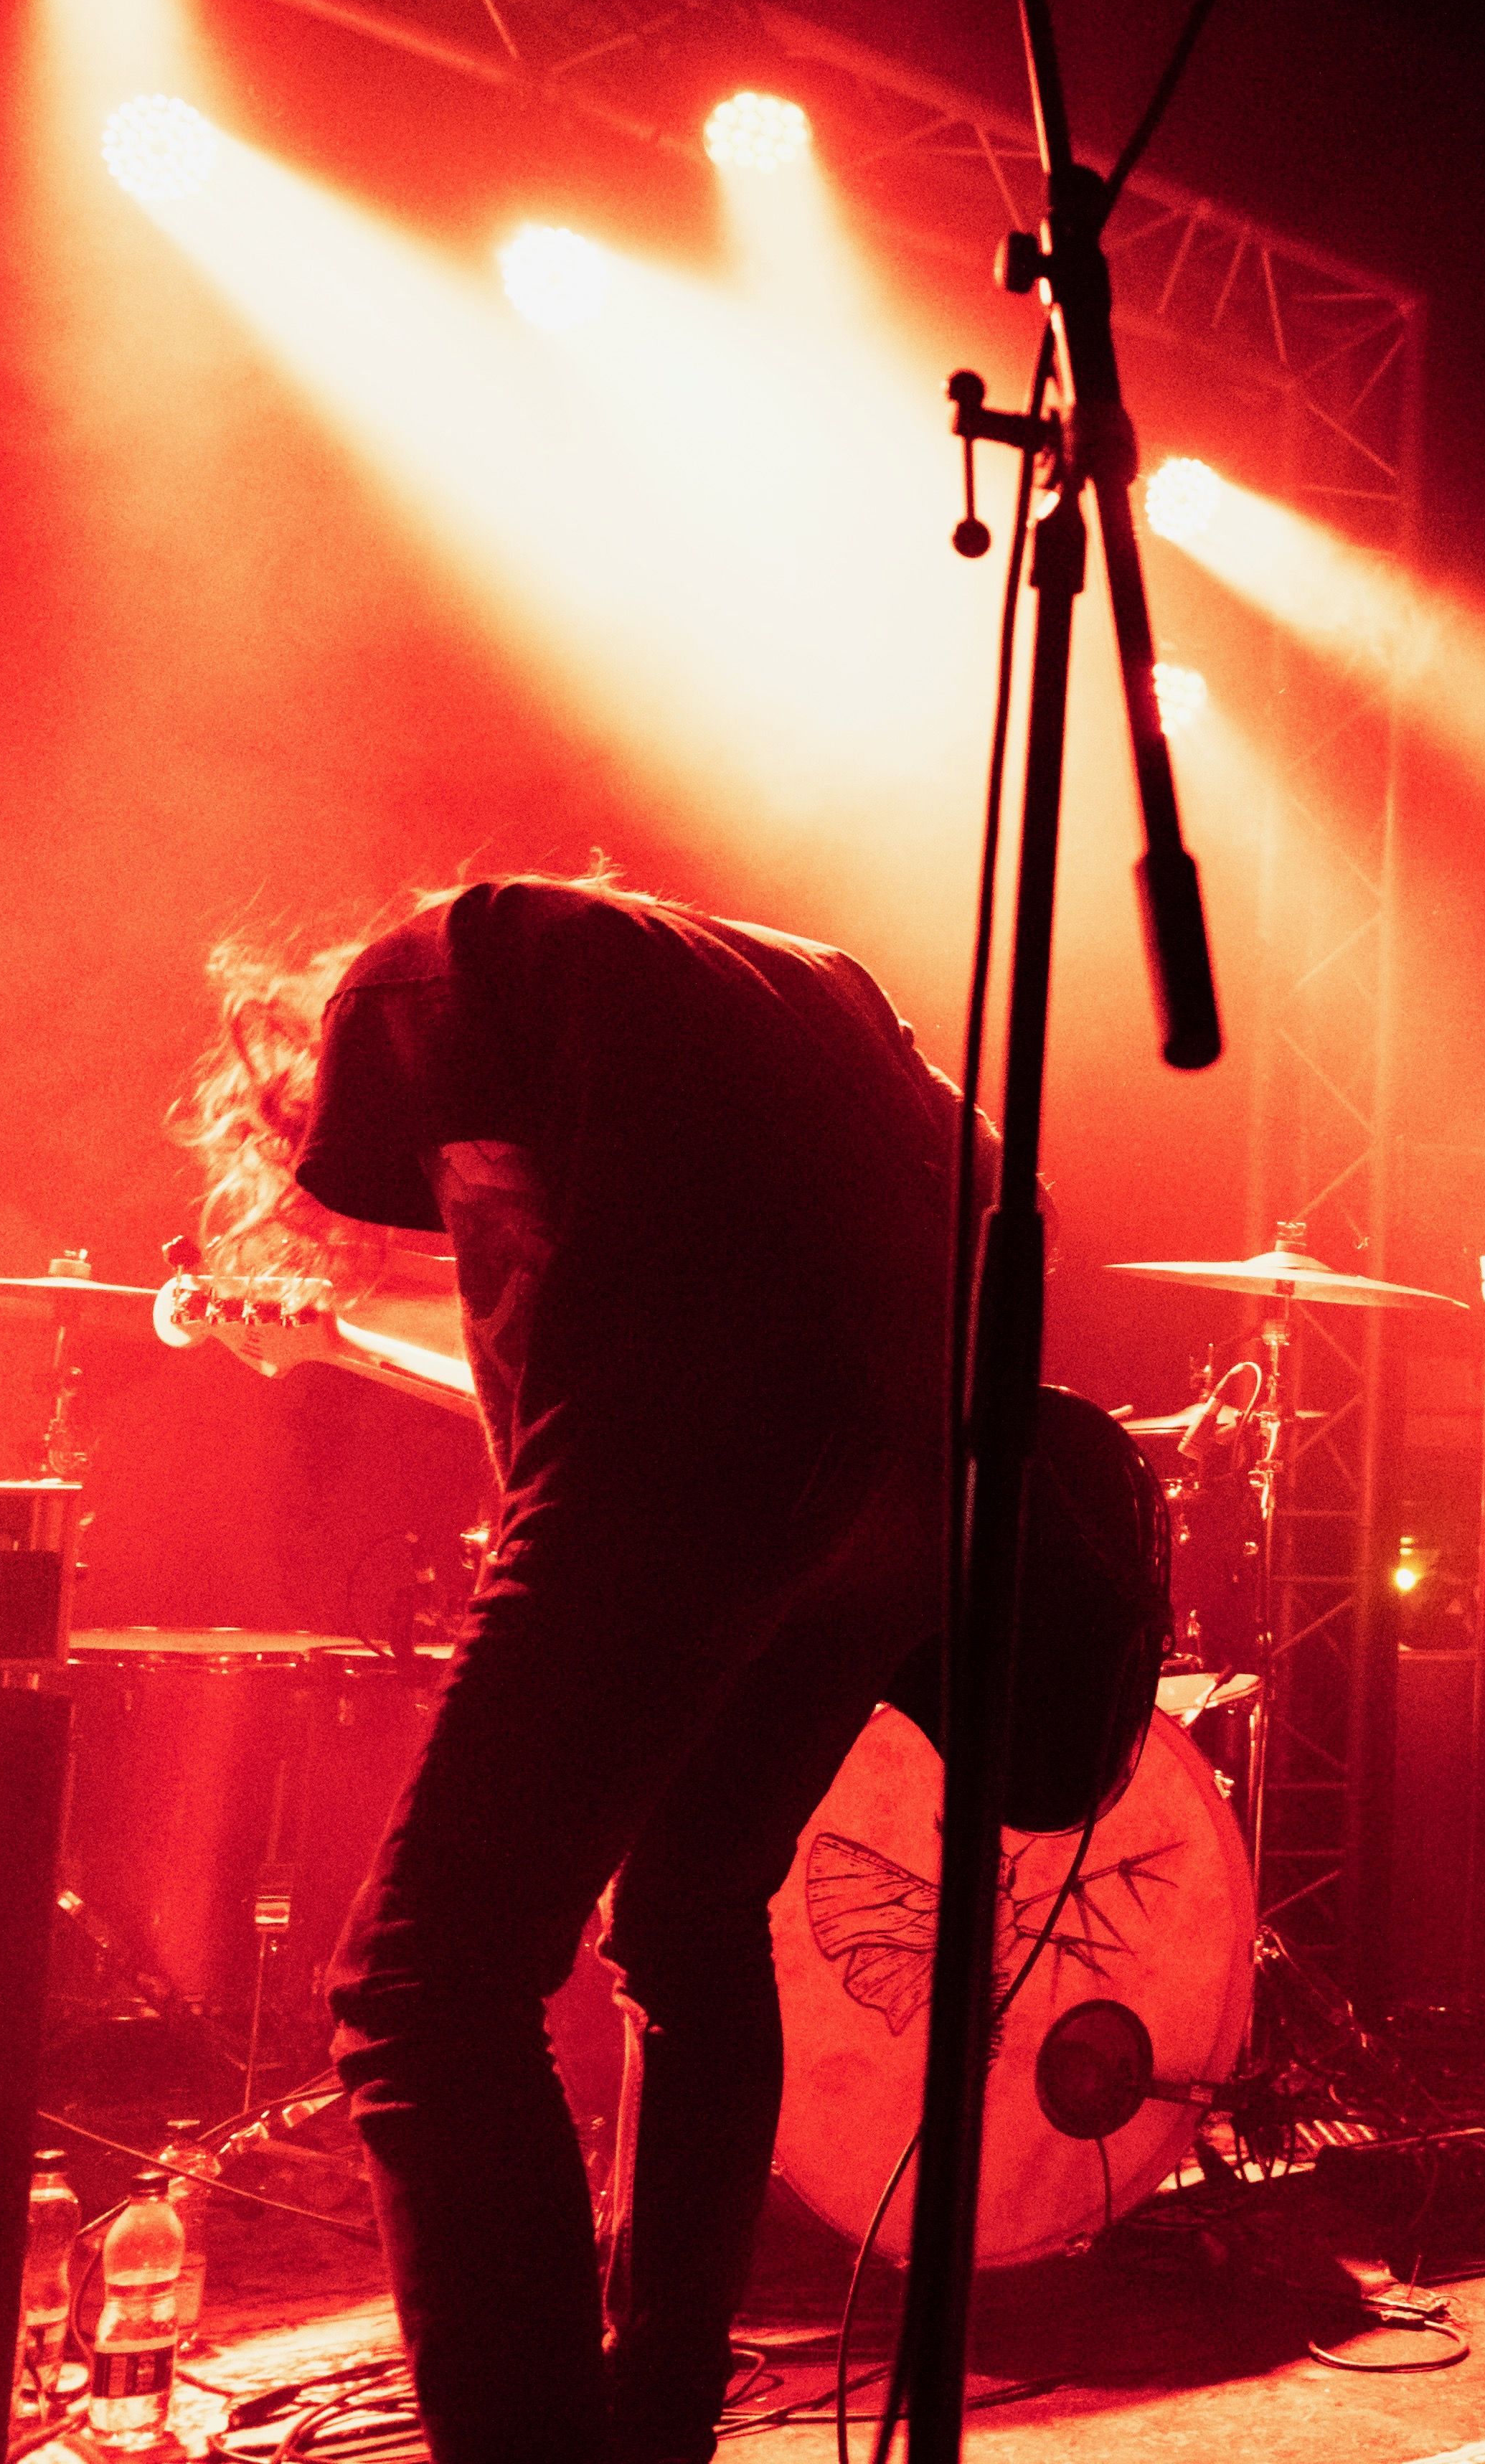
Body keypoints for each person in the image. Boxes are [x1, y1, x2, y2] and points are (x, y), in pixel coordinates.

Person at [176, 872, 967, 2463]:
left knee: (423, 1984)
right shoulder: (775, 978)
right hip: (919, 1473)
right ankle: (656, 2419)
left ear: (311, 1067)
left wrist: (544, 1585)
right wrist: (343, 1341)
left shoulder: (426, 979)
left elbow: (544, 1358)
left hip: (708, 1453)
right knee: (690, 1913)